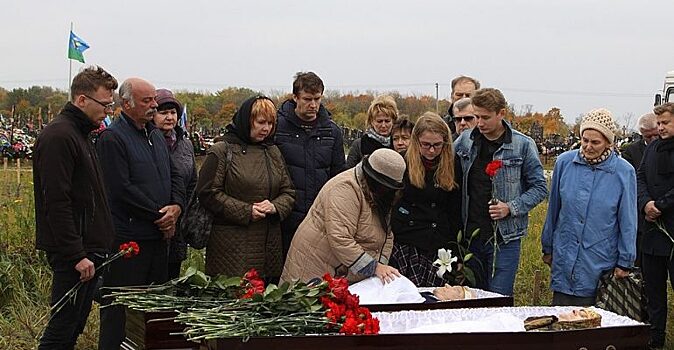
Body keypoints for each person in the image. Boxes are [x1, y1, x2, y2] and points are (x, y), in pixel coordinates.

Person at [96, 77, 185, 349]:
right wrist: (160, 215)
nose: (154, 105)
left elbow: (174, 174)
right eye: (147, 101)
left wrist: (176, 207)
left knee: (153, 310)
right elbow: (121, 188)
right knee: (120, 310)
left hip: (159, 238)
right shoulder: (113, 139)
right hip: (129, 240)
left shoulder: (155, 135)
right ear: (126, 104)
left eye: (153, 100)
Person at [33, 66, 118, 349]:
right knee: (60, 330)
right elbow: (56, 203)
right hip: (75, 254)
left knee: (73, 328)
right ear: (82, 100)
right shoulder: (60, 136)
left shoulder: (82, 134)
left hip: (88, 250)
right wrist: (76, 254)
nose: (108, 110)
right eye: (104, 104)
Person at [454, 88, 547, 296]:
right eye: (476, 116)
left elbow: (540, 188)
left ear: (501, 113)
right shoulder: (465, 141)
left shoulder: (522, 145)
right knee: (472, 298)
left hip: (505, 238)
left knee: (498, 299)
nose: (480, 123)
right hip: (472, 236)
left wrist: (510, 207)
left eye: (486, 117)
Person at [542, 108, 636, 306]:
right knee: (562, 318)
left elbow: (628, 220)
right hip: (565, 251)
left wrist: (625, 260)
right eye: (585, 140)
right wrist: (548, 246)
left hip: (600, 256)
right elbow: (554, 210)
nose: (588, 147)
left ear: (608, 142)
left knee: (592, 323)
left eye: (595, 142)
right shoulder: (564, 163)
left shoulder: (624, 172)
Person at [197, 96, 295, 282]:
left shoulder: (272, 151)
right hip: (232, 246)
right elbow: (208, 192)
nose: (266, 128)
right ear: (247, 120)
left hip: (268, 245)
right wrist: (246, 211)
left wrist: (275, 207)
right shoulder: (222, 150)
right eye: (260, 122)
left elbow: (288, 191)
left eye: (270, 124)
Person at [281, 148, 405, 284]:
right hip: (318, 266)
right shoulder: (345, 188)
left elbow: (386, 234)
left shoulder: (383, 195)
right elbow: (340, 237)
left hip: (342, 268)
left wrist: (381, 266)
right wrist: (373, 267)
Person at [275, 72, 345, 259]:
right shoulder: (277, 128)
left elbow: (338, 176)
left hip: (318, 216)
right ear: (295, 97)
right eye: (307, 99)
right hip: (284, 216)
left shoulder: (331, 132)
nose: (313, 105)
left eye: (317, 99)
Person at [390, 113, 463, 287]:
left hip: (438, 241)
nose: (431, 150)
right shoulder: (403, 161)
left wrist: (457, 252)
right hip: (407, 240)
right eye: (426, 145)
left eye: (437, 145)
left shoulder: (453, 163)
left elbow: (455, 209)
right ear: (416, 141)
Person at [637, 102, 674, 349]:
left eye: (665, 123)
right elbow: (639, 177)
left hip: (672, 233)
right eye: (658, 123)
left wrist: (661, 204)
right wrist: (646, 203)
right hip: (651, 234)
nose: (660, 128)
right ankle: (655, 340)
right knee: (654, 294)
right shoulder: (652, 149)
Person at [153, 89, 197, 279]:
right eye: (163, 113)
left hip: (179, 220)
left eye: (173, 112)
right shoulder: (148, 140)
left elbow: (193, 180)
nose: (169, 117)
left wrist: (181, 209)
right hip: (154, 220)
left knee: (171, 279)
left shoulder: (185, 144)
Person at [622, 112, 658, 267]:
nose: (653, 140)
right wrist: (645, 204)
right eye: (648, 137)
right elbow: (630, 183)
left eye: (655, 135)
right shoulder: (631, 152)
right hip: (639, 213)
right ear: (642, 134)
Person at [346, 95, 398, 168]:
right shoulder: (360, 145)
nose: (383, 125)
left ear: (393, 121)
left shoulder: (398, 144)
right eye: (379, 121)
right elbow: (348, 173)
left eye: (387, 121)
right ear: (371, 122)